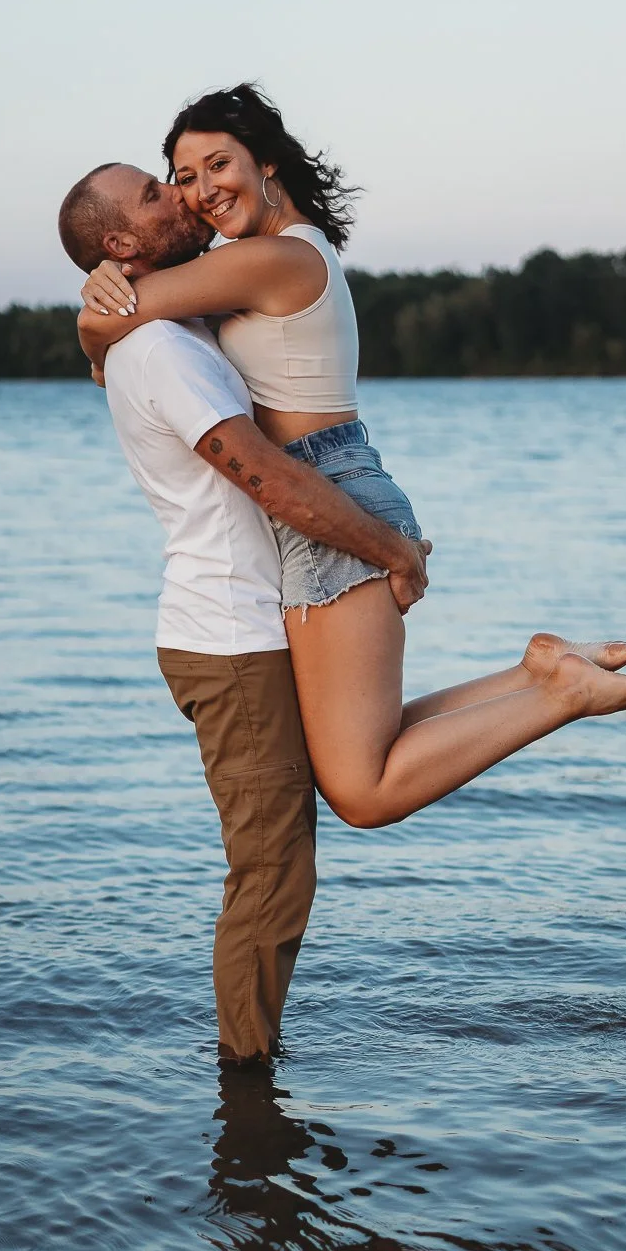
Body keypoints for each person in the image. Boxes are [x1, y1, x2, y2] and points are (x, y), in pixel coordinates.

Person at [76, 84, 626, 834]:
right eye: (183, 176)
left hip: (326, 492)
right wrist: (104, 307)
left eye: (216, 165)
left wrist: (97, 298)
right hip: (329, 484)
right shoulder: (271, 254)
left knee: (364, 792)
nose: (200, 192)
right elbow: (118, 332)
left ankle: (561, 695)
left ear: (265, 162)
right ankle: (540, 675)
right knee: (365, 749)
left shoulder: (277, 257)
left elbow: (114, 325)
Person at [58, 162, 431, 1066]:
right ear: (120, 244)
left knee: (334, 798)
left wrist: (94, 315)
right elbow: (266, 476)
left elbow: (105, 341)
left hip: (245, 628)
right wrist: (391, 550)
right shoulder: (161, 351)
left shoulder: (166, 329)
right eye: (156, 193)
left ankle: (252, 1077)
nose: (179, 197)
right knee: (271, 872)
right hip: (230, 639)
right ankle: (246, 1085)